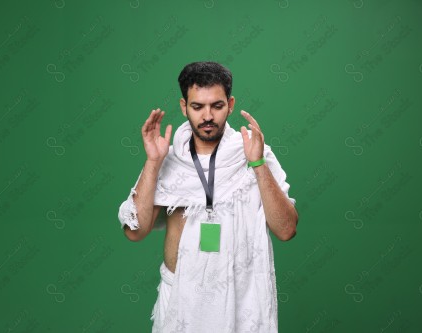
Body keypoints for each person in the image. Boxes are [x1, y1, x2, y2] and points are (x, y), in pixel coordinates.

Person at [118, 61, 298, 332]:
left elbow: (286, 230)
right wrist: (153, 162)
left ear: (231, 104)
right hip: (179, 300)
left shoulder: (251, 151)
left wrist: (258, 164)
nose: (207, 117)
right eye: (197, 106)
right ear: (183, 107)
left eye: (217, 106)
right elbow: (135, 232)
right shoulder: (169, 156)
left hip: (239, 301)